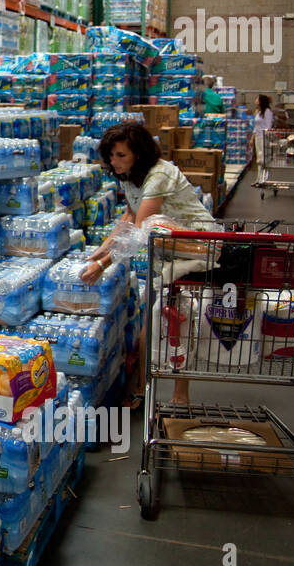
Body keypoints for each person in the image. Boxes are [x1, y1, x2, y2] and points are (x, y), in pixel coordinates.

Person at [79, 122, 220, 408]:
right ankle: (142, 387)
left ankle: (181, 393)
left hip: (198, 247)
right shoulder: (129, 175)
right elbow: (128, 217)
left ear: (139, 154)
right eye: (111, 155)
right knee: (150, 323)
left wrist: (103, 265)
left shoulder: (159, 175)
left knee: (181, 321)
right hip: (166, 251)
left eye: (121, 155)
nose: (114, 162)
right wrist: (98, 252)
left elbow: (141, 230)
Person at [251, 94, 273, 183]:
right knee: (259, 158)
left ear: (261, 101)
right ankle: (259, 178)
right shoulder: (258, 112)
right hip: (258, 137)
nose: (255, 100)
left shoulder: (267, 112)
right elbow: (255, 127)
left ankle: (264, 177)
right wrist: (252, 138)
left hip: (264, 137)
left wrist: (265, 135)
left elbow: (268, 126)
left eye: (257, 99)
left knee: (264, 158)